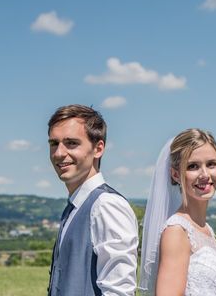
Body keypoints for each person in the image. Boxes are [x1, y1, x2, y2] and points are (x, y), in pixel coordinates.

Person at [46, 104, 138, 296]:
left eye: (71, 143)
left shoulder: (106, 205)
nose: (59, 153)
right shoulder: (74, 207)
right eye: (54, 143)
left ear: (98, 148)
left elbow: (119, 291)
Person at [139, 129, 216, 296]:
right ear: (176, 174)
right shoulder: (177, 231)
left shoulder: (206, 230)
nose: (205, 174)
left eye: (211, 164)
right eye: (193, 166)